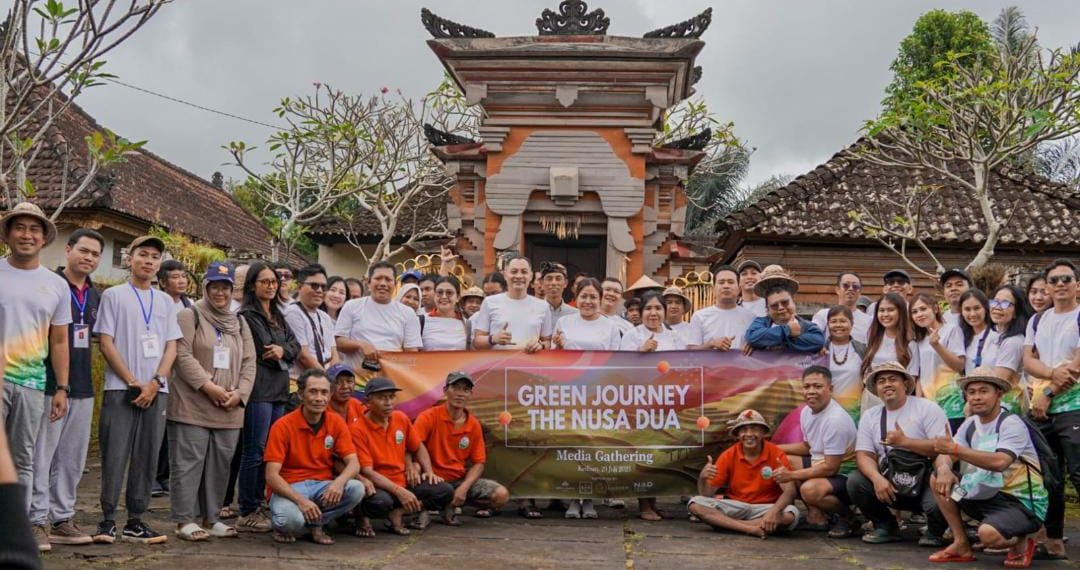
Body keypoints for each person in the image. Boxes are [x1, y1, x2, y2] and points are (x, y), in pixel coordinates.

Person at [93, 234, 180, 545]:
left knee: (147, 455)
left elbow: (172, 346)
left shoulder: (165, 301)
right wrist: (133, 380)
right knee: (114, 453)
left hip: (157, 390)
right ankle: (106, 519)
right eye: (142, 255)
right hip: (121, 388)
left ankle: (136, 520)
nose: (148, 261)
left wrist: (156, 382)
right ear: (130, 258)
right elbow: (106, 342)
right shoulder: (115, 296)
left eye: (155, 257)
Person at [0, 203, 72, 553]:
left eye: (34, 230)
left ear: (44, 239)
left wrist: (61, 386)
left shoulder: (56, 286)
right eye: (20, 228)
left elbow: (59, 339)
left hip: (30, 383)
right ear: (9, 234)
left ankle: (21, 528)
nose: (26, 235)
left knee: (23, 458)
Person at [169, 262, 256, 541]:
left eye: (226, 287)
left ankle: (212, 517)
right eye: (215, 286)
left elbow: (249, 361)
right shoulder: (189, 314)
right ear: (205, 287)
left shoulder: (239, 321)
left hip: (229, 407)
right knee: (189, 462)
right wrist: (209, 387)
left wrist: (239, 394)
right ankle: (184, 520)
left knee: (221, 463)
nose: (220, 292)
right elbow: (182, 356)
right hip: (192, 403)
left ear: (233, 290)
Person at [926, 367, 1046, 567]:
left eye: (983, 391)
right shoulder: (971, 423)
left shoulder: (1011, 423)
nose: (976, 397)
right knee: (938, 478)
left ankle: (1021, 541)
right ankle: (961, 543)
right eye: (971, 392)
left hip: (1021, 504)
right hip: (982, 494)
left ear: (998, 393)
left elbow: (1000, 462)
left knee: (988, 536)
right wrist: (945, 469)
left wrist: (956, 449)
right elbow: (946, 454)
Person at [29, 229, 102, 550]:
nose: (88, 257)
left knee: (72, 458)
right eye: (83, 250)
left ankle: (63, 517)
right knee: (41, 454)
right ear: (68, 250)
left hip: (84, 386)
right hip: (48, 383)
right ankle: (36, 519)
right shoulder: (48, 286)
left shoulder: (97, 294)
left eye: (95, 254)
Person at [847, 361, 948, 545]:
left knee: (942, 490)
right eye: (882, 381)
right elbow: (864, 454)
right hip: (891, 483)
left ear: (906, 384)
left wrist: (906, 443)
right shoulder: (871, 416)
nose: (887, 384)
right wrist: (877, 478)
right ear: (876, 389)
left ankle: (936, 531)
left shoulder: (927, 408)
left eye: (893, 379)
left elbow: (945, 448)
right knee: (856, 481)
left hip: (924, 481)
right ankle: (886, 526)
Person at [264, 369, 365, 545]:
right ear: (301, 394)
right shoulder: (282, 426)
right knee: (291, 522)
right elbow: (271, 475)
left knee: (356, 488)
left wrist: (338, 483)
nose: (319, 398)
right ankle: (283, 524)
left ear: (330, 395)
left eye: (324, 392)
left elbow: (354, 463)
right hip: (289, 487)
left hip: (321, 485)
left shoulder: (335, 422)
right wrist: (301, 501)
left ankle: (317, 523)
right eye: (313, 391)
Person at [236, 262, 301, 533]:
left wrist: (283, 351)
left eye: (273, 281)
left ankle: (261, 501)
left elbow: (294, 347)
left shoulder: (278, 314)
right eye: (264, 281)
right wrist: (283, 352)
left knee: (271, 451)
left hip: (279, 389)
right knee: (255, 449)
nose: (271, 285)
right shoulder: (248, 315)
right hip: (259, 389)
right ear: (253, 285)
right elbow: (265, 350)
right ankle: (247, 508)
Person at [551, 278, 622, 520]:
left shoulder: (610, 327)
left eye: (593, 297)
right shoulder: (564, 322)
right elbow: (554, 360)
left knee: (594, 446)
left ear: (600, 300)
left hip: (598, 393)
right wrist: (558, 348)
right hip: (569, 391)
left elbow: (616, 361)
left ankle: (590, 498)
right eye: (584, 296)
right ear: (576, 297)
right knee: (572, 445)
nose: (588, 301)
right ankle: (572, 497)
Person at [1024, 258, 1080, 560]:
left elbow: (1076, 367)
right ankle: (1054, 536)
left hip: (1074, 406)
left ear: (1077, 286)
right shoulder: (1037, 320)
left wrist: (1048, 390)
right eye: (1054, 280)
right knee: (1049, 475)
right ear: (1046, 286)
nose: (1060, 285)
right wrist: (1049, 376)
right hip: (1041, 409)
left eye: (1066, 279)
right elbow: (1028, 360)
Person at [352, 377, 453, 535]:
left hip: (403, 479)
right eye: (381, 398)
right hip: (379, 485)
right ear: (368, 402)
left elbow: (418, 447)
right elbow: (367, 471)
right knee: (380, 502)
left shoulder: (400, 418)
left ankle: (399, 511)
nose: (388, 402)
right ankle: (363, 515)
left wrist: (428, 471)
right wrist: (400, 491)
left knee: (444, 491)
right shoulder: (357, 429)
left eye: (391, 397)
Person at [688, 409, 800, 538]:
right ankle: (751, 529)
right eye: (744, 430)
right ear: (737, 434)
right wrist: (703, 478)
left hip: (765, 508)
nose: (749, 434)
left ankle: (732, 525)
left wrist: (774, 511)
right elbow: (706, 494)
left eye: (754, 429)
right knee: (695, 504)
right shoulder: (729, 455)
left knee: (791, 514)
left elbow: (790, 491)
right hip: (736, 507)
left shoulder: (776, 453)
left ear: (763, 433)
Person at [414, 372, 509, 524]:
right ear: (445, 391)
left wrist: (464, 488)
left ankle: (449, 504)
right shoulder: (428, 416)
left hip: (457, 479)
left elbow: (479, 462)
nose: (460, 394)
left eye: (465, 390)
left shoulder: (473, 424)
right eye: (456, 388)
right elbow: (414, 445)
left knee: (501, 495)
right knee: (420, 477)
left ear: (470, 394)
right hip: (431, 480)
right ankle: (429, 506)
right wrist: (427, 470)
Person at [774, 366, 858, 539]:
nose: (811, 391)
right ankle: (817, 515)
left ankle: (848, 517)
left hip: (846, 475)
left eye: (817, 386)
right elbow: (807, 446)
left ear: (830, 389)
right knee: (780, 459)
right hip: (821, 464)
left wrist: (792, 475)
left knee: (809, 490)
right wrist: (772, 448)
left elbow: (830, 468)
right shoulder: (806, 411)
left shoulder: (835, 420)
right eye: (807, 386)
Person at [335, 262, 422, 363]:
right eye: (378, 278)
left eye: (388, 280)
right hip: (355, 377)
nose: (383, 284)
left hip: (392, 376)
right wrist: (361, 345)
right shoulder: (352, 306)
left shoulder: (408, 313)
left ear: (395, 284)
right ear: (368, 283)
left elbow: (411, 353)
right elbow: (339, 342)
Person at [908, 293, 965, 432]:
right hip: (928, 402)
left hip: (951, 400)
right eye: (914, 312)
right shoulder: (919, 339)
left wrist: (937, 346)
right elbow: (920, 374)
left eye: (923, 309)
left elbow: (959, 365)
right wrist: (919, 401)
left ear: (935, 309)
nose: (919, 314)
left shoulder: (951, 330)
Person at [473, 255, 552, 354]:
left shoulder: (543, 306)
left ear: (531, 276)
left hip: (531, 365)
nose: (519, 276)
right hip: (497, 365)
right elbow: (477, 342)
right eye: (514, 271)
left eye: (524, 272)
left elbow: (548, 341)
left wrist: (541, 345)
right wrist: (493, 339)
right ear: (505, 275)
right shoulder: (489, 302)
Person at [745, 266, 825, 353]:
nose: (781, 308)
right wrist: (787, 330)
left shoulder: (807, 325)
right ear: (767, 309)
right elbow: (752, 337)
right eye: (774, 305)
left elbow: (818, 341)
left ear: (793, 302)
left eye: (785, 303)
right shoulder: (760, 323)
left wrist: (770, 341)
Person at [284, 264, 341, 377]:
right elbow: (303, 356)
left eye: (323, 287)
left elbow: (334, 354)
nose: (319, 290)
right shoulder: (293, 313)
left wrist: (333, 376)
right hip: (301, 381)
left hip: (325, 378)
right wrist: (326, 379)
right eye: (314, 285)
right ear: (300, 287)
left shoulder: (324, 317)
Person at [986, 284, 1033, 413]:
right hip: (990, 406)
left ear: (1016, 313)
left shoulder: (1014, 341)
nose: (997, 307)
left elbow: (999, 380)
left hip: (1005, 408)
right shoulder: (993, 336)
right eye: (995, 302)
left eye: (1006, 303)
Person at [686, 265, 755, 352]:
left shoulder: (751, 317)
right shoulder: (700, 316)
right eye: (721, 282)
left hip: (742, 365)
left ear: (739, 289)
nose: (726, 286)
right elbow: (690, 351)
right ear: (713, 288)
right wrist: (711, 344)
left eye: (731, 282)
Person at [859, 293, 917, 378]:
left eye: (890, 310)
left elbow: (912, 375)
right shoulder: (872, 336)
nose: (885, 314)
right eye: (881, 310)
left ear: (901, 312)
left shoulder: (910, 341)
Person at [823, 306, 865, 420]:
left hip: (854, 411)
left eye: (843, 321)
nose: (838, 325)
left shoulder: (862, 350)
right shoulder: (820, 350)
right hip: (825, 410)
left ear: (851, 324)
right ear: (828, 325)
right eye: (833, 321)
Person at [811, 272, 873, 343]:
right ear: (837, 290)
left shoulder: (869, 321)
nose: (850, 289)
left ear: (860, 291)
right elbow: (812, 337)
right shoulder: (823, 315)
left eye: (855, 286)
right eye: (846, 285)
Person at [622, 292, 688, 353]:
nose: (653, 313)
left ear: (665, 312)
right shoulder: (632, 335)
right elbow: (623, 363)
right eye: (648, 308)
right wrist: (641, 351)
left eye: (658, 308)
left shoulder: (674, 336)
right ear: (641, 312)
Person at [421, 276, 469, 351]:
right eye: (439, 292)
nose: (444, 296)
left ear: (458, 297)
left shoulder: (467, 324)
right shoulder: (420, 321)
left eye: (449, 293)